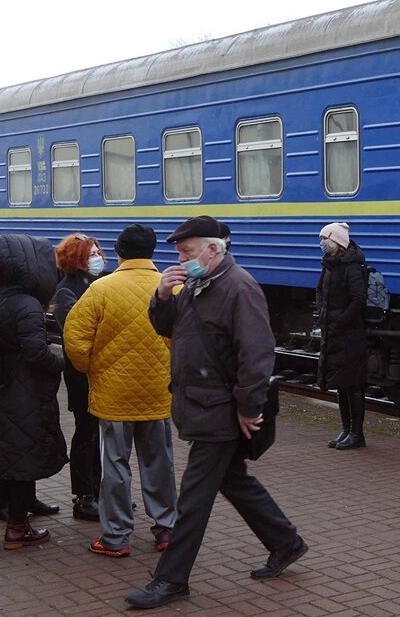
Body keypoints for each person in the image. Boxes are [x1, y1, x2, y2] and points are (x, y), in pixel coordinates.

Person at [125, 216, 305, 609]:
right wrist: (161, 295)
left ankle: (171, 580)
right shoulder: (196, 284)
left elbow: (257, 355)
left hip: (219, 410)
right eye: (178, 252)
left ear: (213, 249)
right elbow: (166, 327)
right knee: (233, 480)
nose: (180, 258)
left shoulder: (239, 287)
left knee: (192, 499)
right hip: (200, 404)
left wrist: (248, 407)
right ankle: (285, 542)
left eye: (186, 252)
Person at [63, 224, 178, 557]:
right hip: (158, 392)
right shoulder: (170, 290)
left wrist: (92, 368)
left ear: (118, 252)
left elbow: (75, 337)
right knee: (160, 463)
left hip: (112, 395)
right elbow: (182, 337)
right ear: (153, 251)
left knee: (114, 466)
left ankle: (115, 537)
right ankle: (166, 529)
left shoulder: (101, 289)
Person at [0, 234, 68, 550]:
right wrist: (61, 363)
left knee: (7, 459)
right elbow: (36, 353)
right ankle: (17, 528)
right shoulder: (25, 303)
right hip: (25, 392)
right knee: (23, 461)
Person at [50, 232, 106, 522]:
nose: (98, 259)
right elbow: (78, 335)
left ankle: (102, 491)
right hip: (82, 373)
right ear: (76, 259)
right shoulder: (65, 291)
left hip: (105, 371)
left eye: (98, 253)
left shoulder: (98, 284)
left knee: (102, 434)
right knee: (86, 433)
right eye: (91, 254)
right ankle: (84, 497)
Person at [316, 222, 369, 449]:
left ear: (337, 242)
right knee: (341, 384)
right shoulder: (329, 266)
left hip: (350, 335)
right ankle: (346, 430)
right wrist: (323, 314)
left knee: (353, 384)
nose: (322, 244)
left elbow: (359, 299)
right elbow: (319, 291)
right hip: (335, 333)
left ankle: (357, 434)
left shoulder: (352, 267)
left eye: (325, 239)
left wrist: (339, 321)